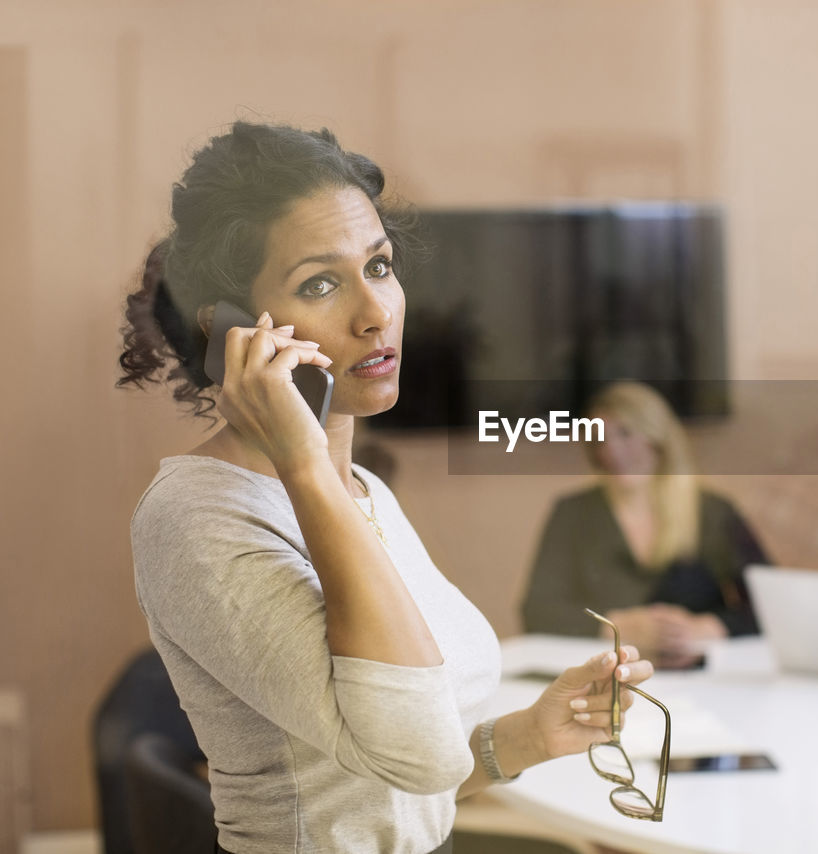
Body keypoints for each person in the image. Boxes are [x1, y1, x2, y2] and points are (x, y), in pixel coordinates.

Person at [118, 121, 653, 854]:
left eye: (378, 266)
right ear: (231, 327)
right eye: (320, 283)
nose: (377, 315)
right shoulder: (196, 515)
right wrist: (306, 463)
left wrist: (526, 736)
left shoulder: (361, 490)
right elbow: (417, 753)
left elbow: (393, 782)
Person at [521, 381, 768, 668]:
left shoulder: (713, 512)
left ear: (658, 438)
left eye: (625, 434)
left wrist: (707, 628)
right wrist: (616, 626)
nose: (611, 450)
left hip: (702, 680)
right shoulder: (573, 513)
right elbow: (537, 611)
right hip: (607, 677)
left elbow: (770, 604)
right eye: (600, 440)